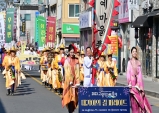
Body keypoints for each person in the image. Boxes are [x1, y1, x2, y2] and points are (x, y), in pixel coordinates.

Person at [127, 47, 152, 113]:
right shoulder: (129, 62)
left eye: (135, 51)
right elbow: (128, 73)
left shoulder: (138, 63)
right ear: (131, 53)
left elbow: (140, 75)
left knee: (140, 104)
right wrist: (129, 83)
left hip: (138, 85)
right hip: (132, 86)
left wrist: (140, 86)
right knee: (133, 103)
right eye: (133, 51)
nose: (134, 53)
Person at [62, 44, 80, 113]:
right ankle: (70, 111)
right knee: (69, 97)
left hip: (74, 81)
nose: (72, 54)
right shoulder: (67, 60)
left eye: (73, 52)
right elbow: (67, 71)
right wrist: (69, 80)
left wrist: (78, 81)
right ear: (69, 52)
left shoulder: (76, 61)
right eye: (71, 52)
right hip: (68, 81)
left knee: (74, 98)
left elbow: (77, 71)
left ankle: (71, 110)